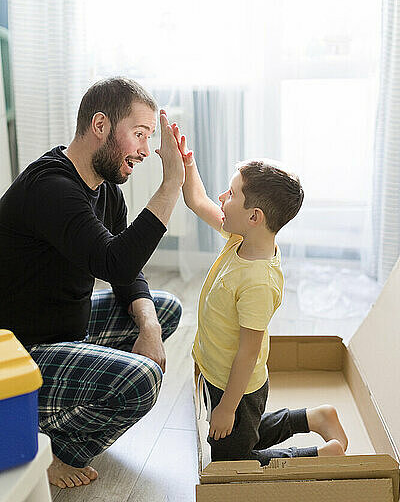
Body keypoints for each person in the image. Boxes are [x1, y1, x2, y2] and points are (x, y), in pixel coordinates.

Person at [0, 77, 185, 488]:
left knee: (163, 309)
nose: (145, 150)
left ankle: (74, 394)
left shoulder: (103, 188)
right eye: (139, 134)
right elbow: (115, 263)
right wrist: (173, 183)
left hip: (65, 330)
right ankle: (48, 451)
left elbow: (127, 273)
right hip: (16, 357)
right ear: (100, 124)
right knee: (142, 379)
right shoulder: (51, 187)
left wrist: (150, 328)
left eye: (150, 137)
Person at [171, 124, 348, 465]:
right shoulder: (242, 238)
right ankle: (314, 418)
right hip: (219, 374)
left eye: (231, 194)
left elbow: (248, 354)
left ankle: (319, 454)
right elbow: (196, 201)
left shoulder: (257, 282)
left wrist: (227, 407)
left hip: (237, 385)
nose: (222, 198)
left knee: (233, 461)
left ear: (254, 216)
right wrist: (187, 164)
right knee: (234, 433)